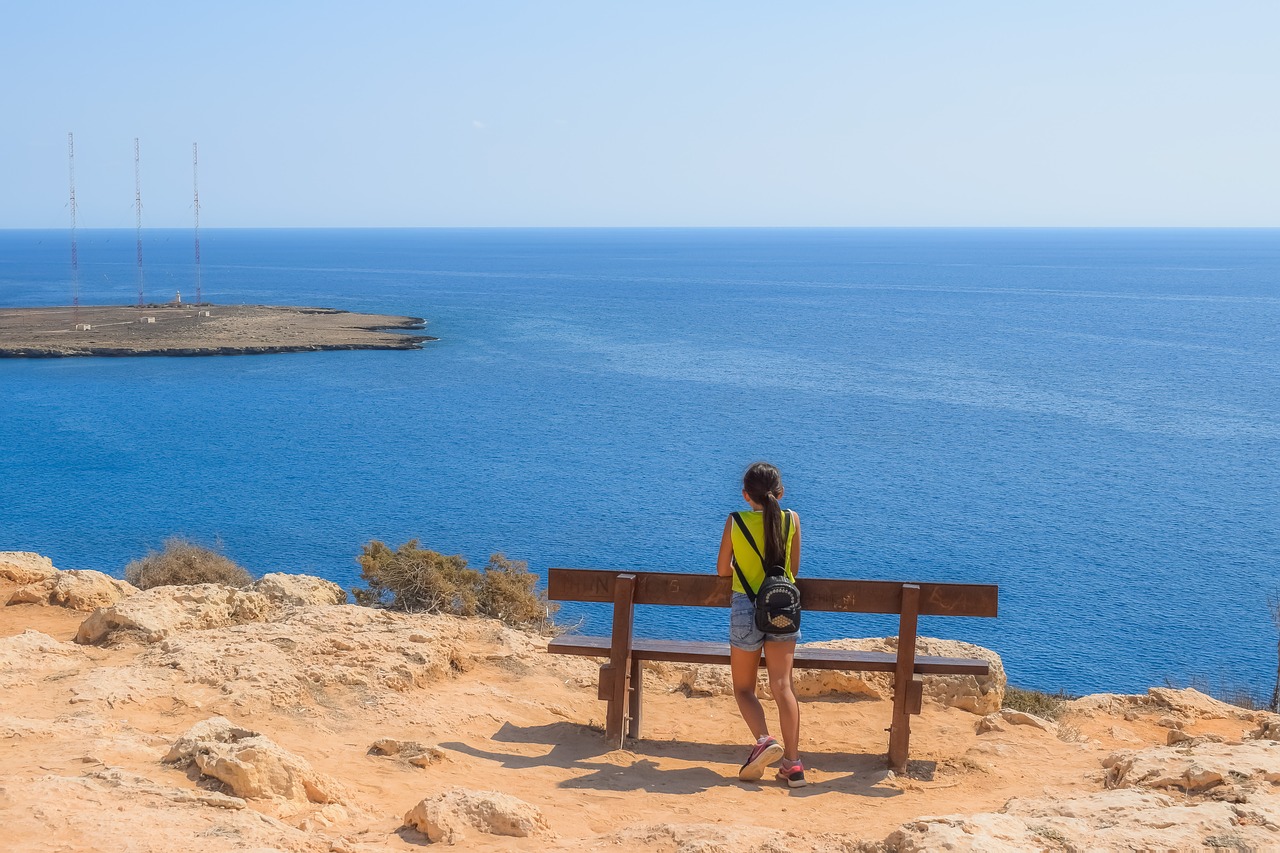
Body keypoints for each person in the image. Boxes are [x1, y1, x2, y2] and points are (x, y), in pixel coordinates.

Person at [715, 461, 806, 788]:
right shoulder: (791, 520)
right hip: (782, 607)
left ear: (744, 495)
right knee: (783, 686)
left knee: (743, 688)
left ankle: (763, 740)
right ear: (780, 492)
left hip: (745, 608)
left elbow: (722, 570)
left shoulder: (735, 521)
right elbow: (792, 570)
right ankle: (793, 766)